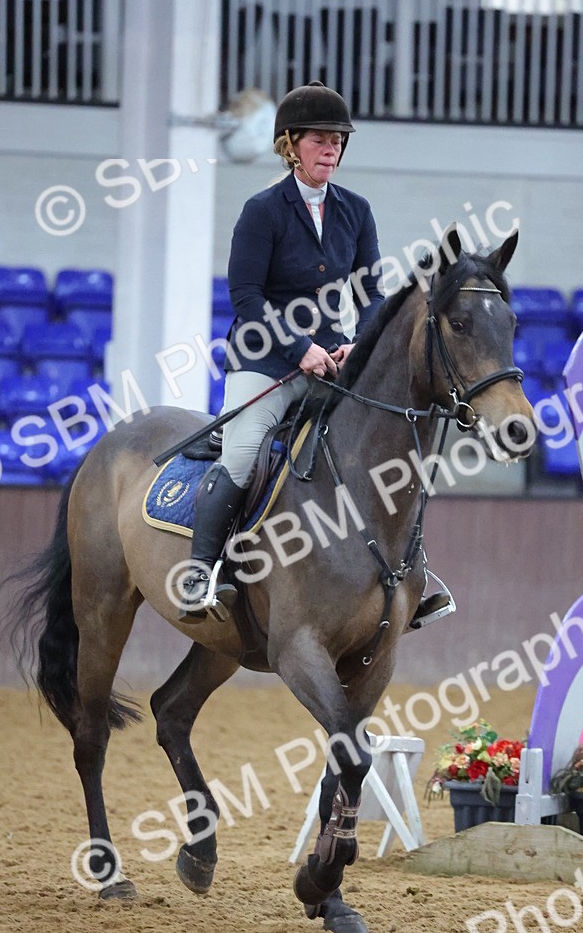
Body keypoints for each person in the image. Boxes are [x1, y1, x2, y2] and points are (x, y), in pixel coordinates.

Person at [178, 80, 454, 631]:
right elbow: (246, 297)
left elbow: (371, 294)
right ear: (290, 144)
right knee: (243, 451)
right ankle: (201, 571)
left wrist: (363, 343)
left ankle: (415, 572)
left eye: (338, 141)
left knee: (390, 447)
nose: (331, 148)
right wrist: (296, 348)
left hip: (333, 362)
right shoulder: (263, 211)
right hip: (264, 360)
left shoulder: (357, 210)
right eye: (320, 139)